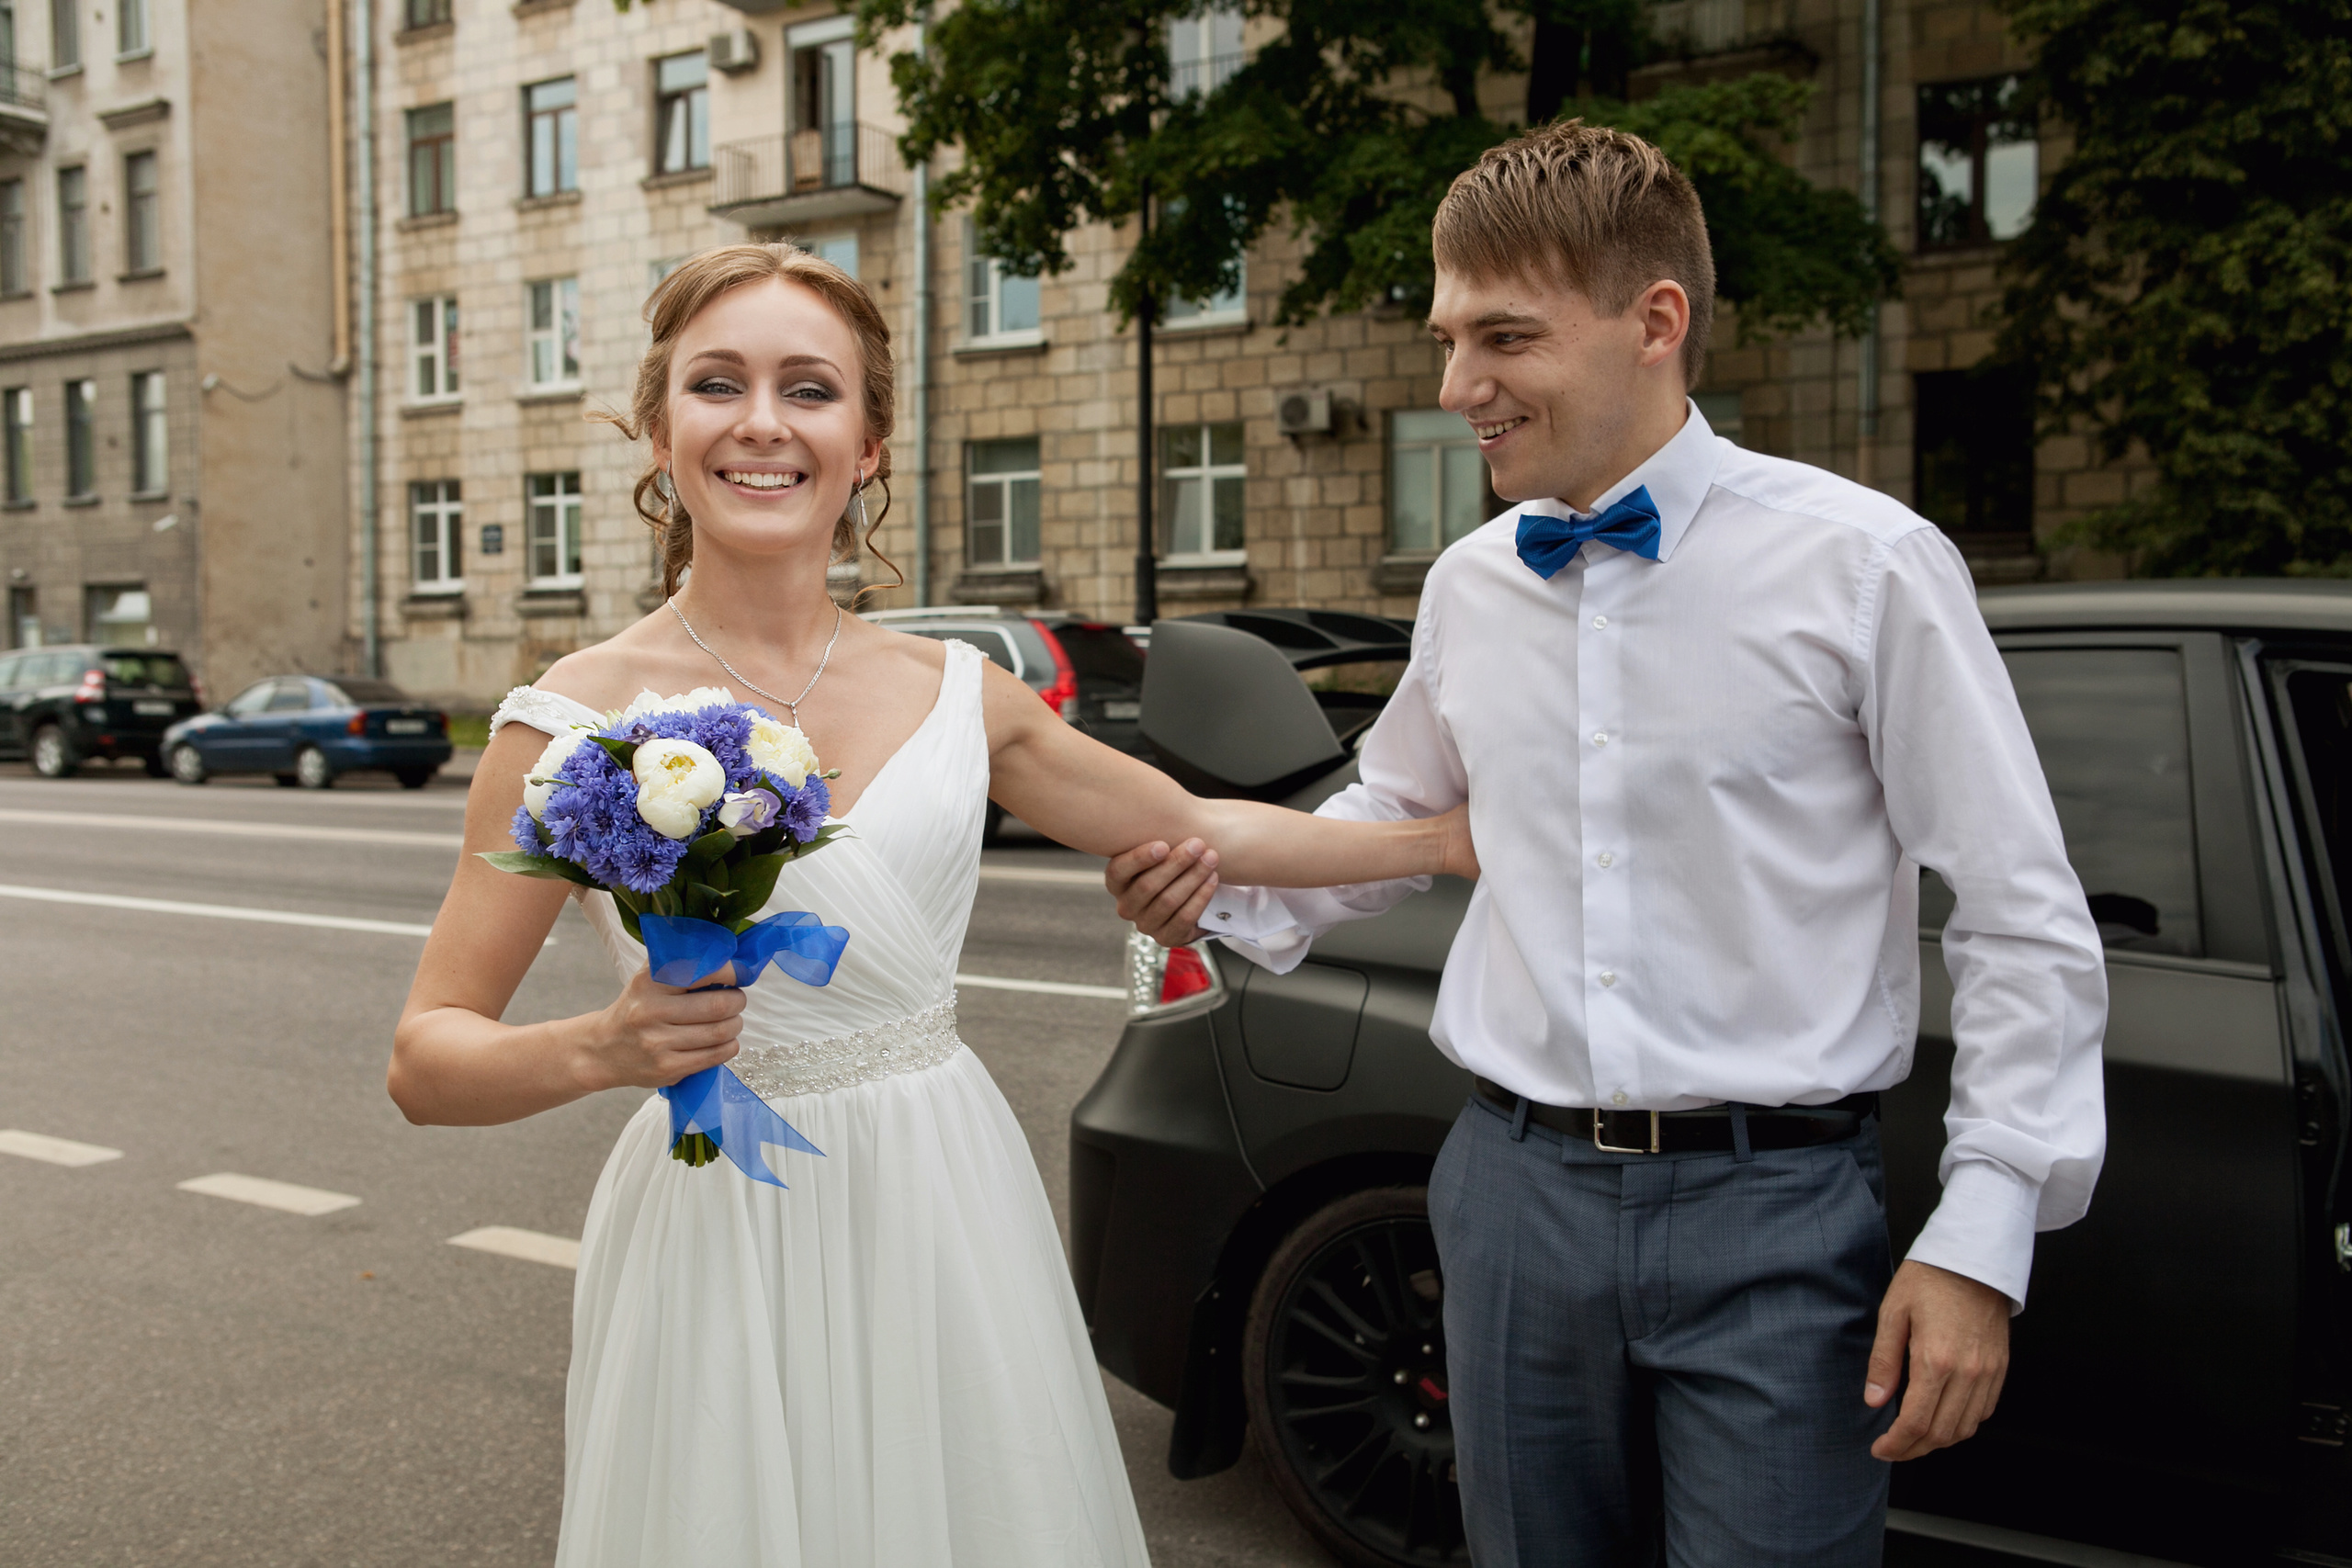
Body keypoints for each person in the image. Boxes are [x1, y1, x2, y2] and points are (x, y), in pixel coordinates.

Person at [386, 243, 1477, 1568]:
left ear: (872, 443)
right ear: (659, 425)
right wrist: (597, 1048)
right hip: (718, 1218)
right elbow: (426, 1058)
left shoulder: (966, 692)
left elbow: (1200, 830)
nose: (762, 423)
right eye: (716, 383)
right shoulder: (566, 720)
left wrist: (1457, 839)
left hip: (942, 1199)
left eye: (810, 388)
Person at [1108, 121, 2108, 1567]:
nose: (1458, 388)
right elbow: (1400, 824)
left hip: (1779, 1211)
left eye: (1504, 337)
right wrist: (1217, 892)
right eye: (1450, 338)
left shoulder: (1869, 565)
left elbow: (2019, 907)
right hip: (1512, 1198)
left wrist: (1983, 1232)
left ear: (1655, 323)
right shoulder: (1467, 586)